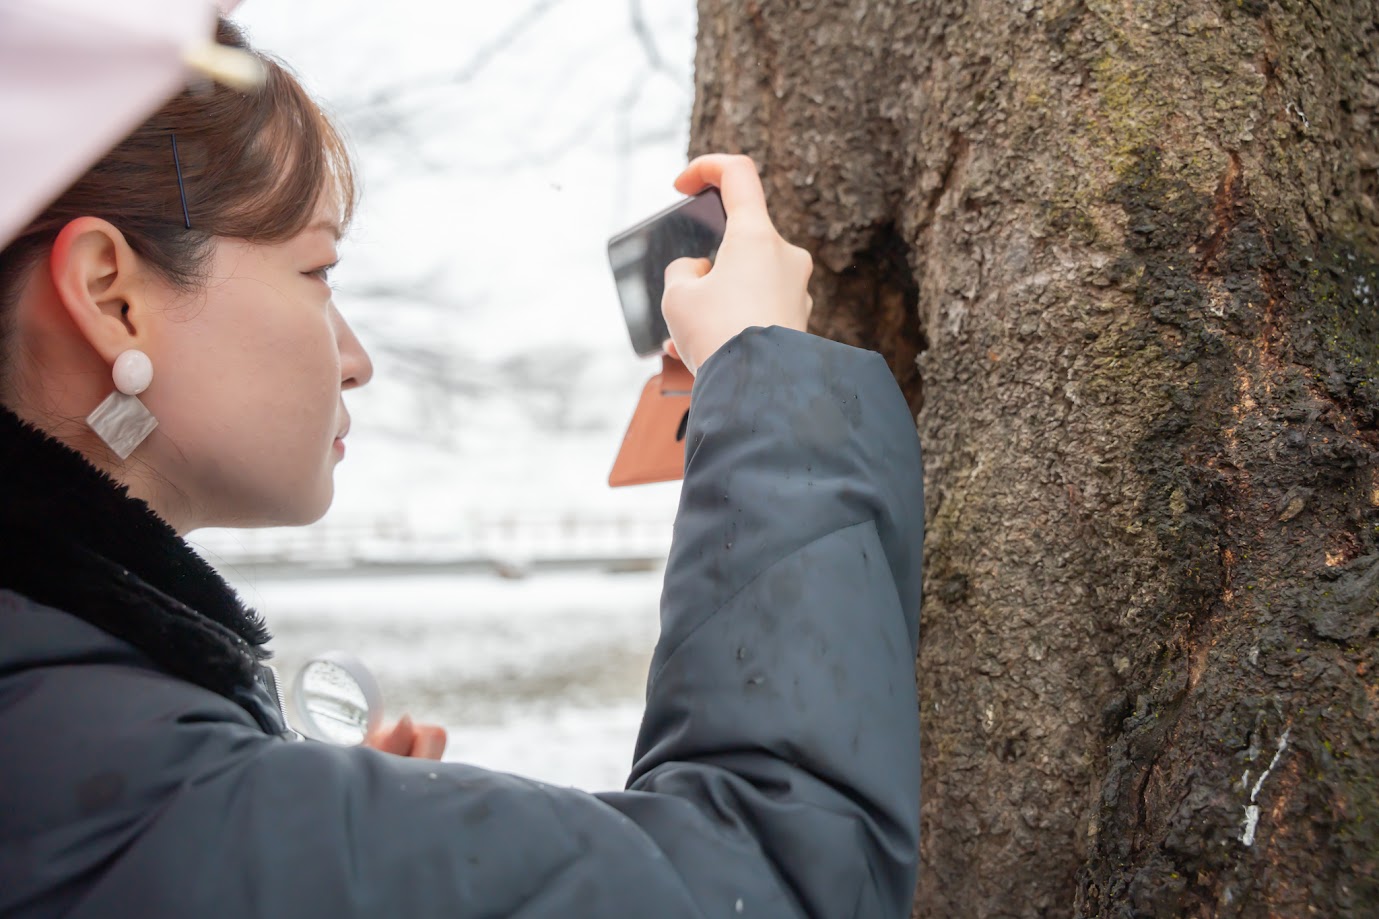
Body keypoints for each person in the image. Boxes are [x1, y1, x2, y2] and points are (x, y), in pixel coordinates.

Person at [0, 18, 925, 919]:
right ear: (110, 296)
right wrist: (761, 371)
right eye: (317, 272)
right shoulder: (141, 797)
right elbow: (785, 873)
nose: (355, 356)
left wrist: (338, 840)